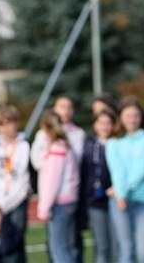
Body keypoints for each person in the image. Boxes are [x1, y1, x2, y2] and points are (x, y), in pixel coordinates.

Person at [105, 96, 144, 263]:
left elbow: (142, 169)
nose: (132, 119)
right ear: (121, 117)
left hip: (143, 201)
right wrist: (120, 194)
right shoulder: (113, 142)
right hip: (120, 202)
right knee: (125, 251)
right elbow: (116, 168)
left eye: (136, 115)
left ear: (142, 117)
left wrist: (121, 189)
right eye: (128, 115)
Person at [30, 95, 86, 262]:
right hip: (67, 199)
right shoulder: (63, 146)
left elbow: (52, 181)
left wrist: (44, 208)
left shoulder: (57, 149)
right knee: (63, 247)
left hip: (59, 201)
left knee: (59, 250)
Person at [0, 104, 30, 263]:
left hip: (18, 200)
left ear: (17, 123)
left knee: (15, 242)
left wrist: (29, 189)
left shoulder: (24, 145)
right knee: (0, 243)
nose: (7, 128)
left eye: (11, 123)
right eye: (2, 124)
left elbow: (30, 170)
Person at [80, 109, 116, 263]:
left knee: (117, 245)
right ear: (95, 125)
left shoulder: (118, 144)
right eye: (101, 123)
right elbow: (84, 173)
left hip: (116, 200)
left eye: (108, 123)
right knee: (101, 246)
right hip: (95, 202)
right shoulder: (88, 146)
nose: (105, 127)